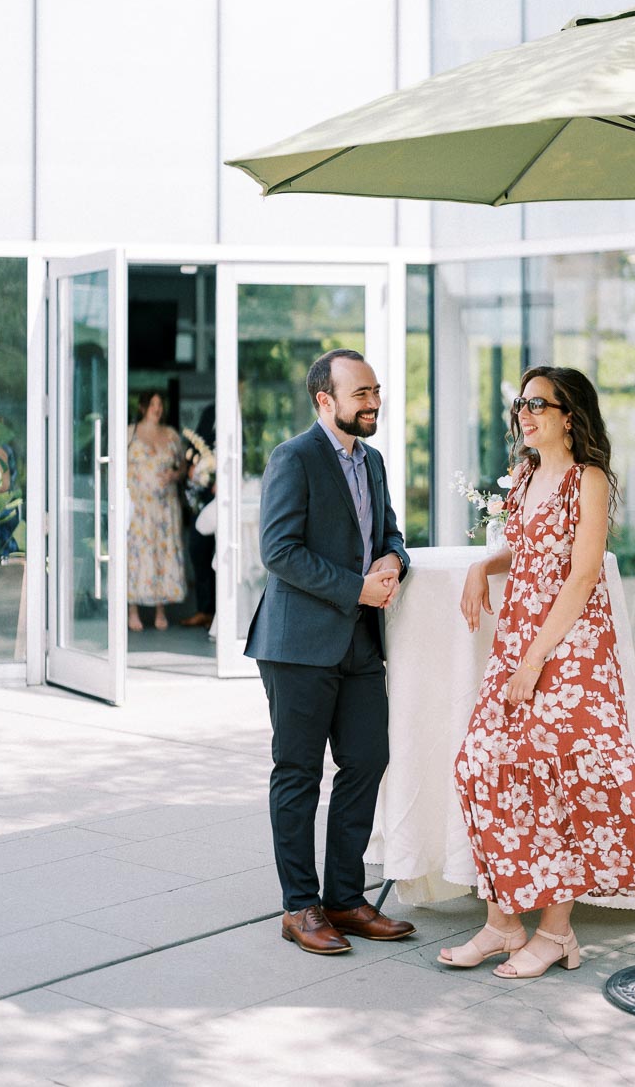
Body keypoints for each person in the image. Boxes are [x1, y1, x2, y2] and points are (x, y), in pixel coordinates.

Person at [439, 366, 635, 979]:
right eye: (519, 403)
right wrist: (481, 567)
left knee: (557, 779)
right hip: (520, 642)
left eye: (538, 404)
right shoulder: (526, 475)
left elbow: (581, 575)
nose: (524, 413)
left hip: (568, 648)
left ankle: (555, 934)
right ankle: (502, 924)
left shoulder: (589, 480)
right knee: (483, 765)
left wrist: (534, 661)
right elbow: (522, 547)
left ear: (569, 415)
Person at [246, 349, 415, 955]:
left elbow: (388, 531)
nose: (373, 402)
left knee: (367, 759)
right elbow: (279, 551)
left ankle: (345, 898)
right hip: (297, 646)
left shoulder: (371, 461)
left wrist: (396, 557)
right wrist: (356, 588)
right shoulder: (293, 458)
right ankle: (300, 907)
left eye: (376, 390)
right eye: (361, 393)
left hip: (361, 645)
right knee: (297, 774)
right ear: (326, 400)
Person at [127, 390, 186, 632]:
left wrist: (174, 474)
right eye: (152, 403)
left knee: (162, 554)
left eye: (160, 404)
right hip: (139, 507)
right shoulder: (130, 432)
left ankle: (161, 610)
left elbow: (183, 465)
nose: (157, 408)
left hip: (165, 507)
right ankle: (133, 610)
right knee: (137, 554)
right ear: (143, 407)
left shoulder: (171, 435)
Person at [180, 401, 216, 629]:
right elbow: (191, 457)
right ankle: (205, 609)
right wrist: (193, 470)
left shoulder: (236, 425)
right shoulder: (207, 418)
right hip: (201, 499)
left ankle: (217, 612)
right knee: (198, 550)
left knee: (221, 556)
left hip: (223, 498)